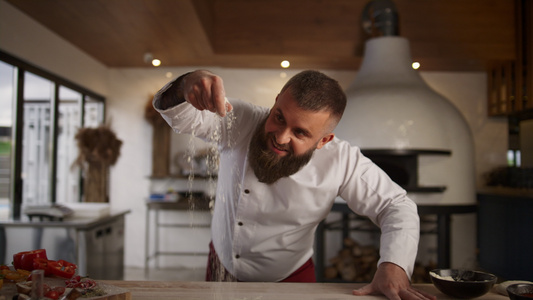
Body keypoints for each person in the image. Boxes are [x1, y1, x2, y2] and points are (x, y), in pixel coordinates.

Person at [153, 70, 436, 300]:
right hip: (220, 266)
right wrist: (186, 83)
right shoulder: (241, 120)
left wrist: (394, 265)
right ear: (276, 101)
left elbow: (395, 205)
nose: (281, 136)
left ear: (324, 140)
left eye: (300, 132)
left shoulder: (343, 161)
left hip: (290, 278)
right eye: (279, 117)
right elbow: (180, 116)